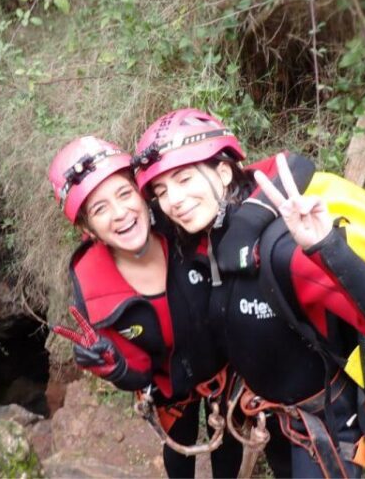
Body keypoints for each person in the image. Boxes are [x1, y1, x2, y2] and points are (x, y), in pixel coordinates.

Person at [133, 109, 365, 478]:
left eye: (185, 179)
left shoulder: (281, 252)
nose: (174, 199)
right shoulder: (205, 248)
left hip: (325, 429)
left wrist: (327, 245)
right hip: (275, 422)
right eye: (161, 191)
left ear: (223, 173)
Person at [47, 136, 242, 478]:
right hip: (171, 390)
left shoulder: (184, 224)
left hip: (225, 373)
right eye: (99, 208)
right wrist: (114, 367)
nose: (120, 213)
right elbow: (138, 371)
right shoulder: (97, 289)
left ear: (142, 194)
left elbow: (253, 181)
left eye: (125, 194)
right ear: (87, 229)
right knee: (178, 451)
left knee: (228, 447)